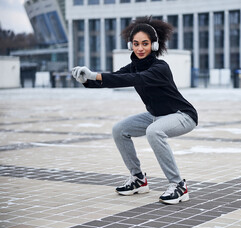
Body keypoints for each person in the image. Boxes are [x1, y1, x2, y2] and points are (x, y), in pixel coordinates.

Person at [71, 17, 198, 205]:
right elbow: (115, 77)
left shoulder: (160, 68)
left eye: (145, 44)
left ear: (154, 46)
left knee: (154, 132)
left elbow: (131, 79)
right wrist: (86, 81)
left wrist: (94, 75)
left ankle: (178, 185)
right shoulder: (134, 66)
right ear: (131, 45)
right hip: (156, 115)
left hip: (183, 115)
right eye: (136, 44)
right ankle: (138, 179)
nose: (140, 48)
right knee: (119, 129)